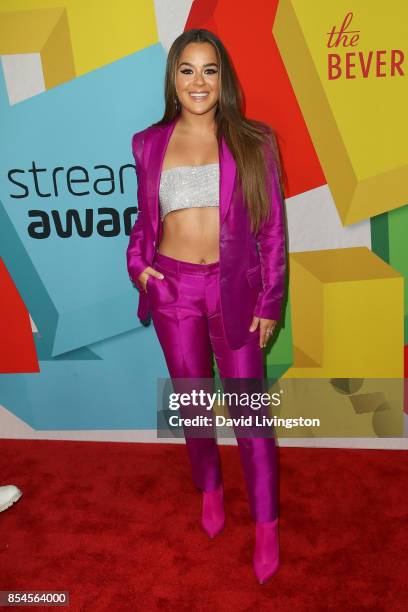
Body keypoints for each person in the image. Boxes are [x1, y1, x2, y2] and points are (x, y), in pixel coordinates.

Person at [126, 28, 287, 584]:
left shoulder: (254, 141)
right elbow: (145, 221)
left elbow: (272, 232)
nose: (199, 81)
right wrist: (141, 270)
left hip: (236, 293)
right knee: (194, 405)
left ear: (224, 78)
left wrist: (270, 299)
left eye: (209, 69)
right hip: (172, 291)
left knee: (250, 416)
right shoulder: (148, 143)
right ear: (173, 78)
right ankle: (211, 488)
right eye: (188, 69)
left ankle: (266, 525)